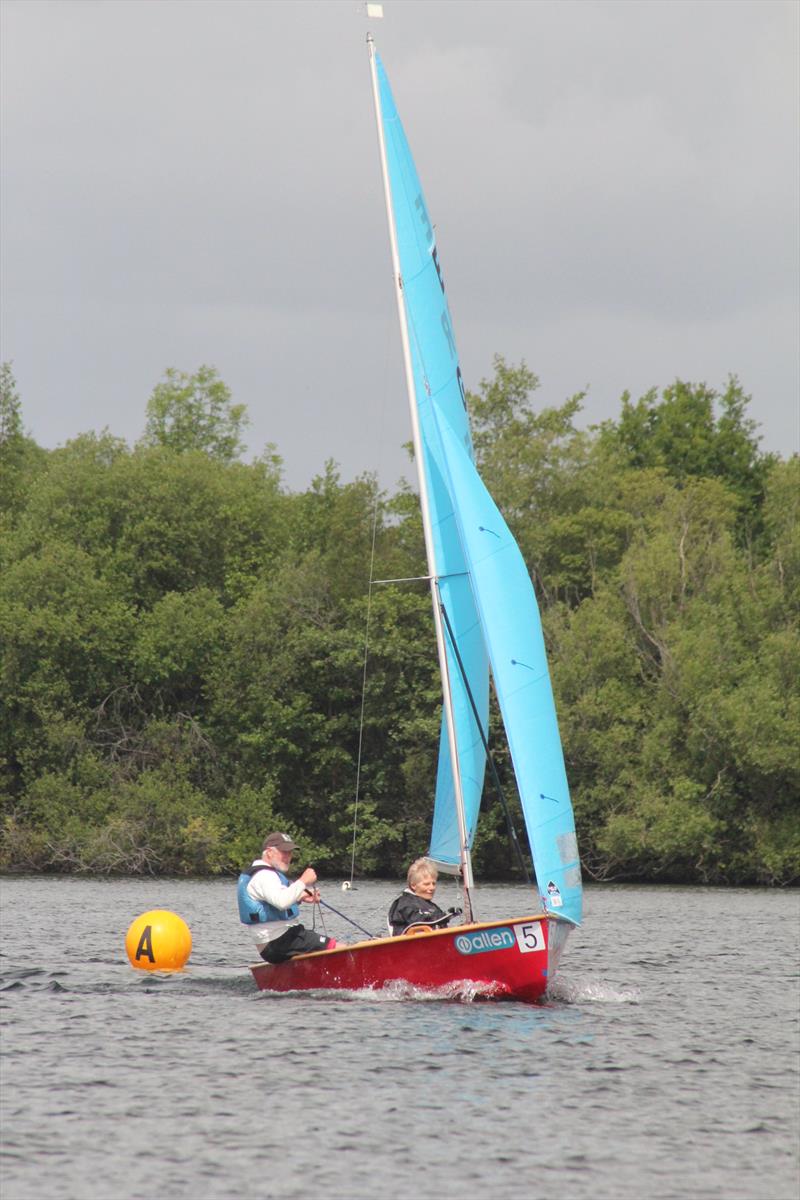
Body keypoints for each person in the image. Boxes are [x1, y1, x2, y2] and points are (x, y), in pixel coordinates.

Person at [237, 831, 337, 963]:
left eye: (290, 853)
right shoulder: (264, 876)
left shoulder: (264, 874)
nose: (288, 857)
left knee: (312, 944)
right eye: (284, 852)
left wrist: (301, 897)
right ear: (269, 852)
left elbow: (277, 898)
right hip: (280, 940)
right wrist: (303, 881)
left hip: (272, 944)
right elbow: (282, 902)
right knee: (335, 947)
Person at [388, 857, 453, 936]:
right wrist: (444, 917)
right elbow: (418, 921)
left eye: (434, 883)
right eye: (426, 884)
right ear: (413, 885)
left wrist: (450, 915)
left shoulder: (432, 906)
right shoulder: (404, 904)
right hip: (409, 945)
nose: (432, 888)